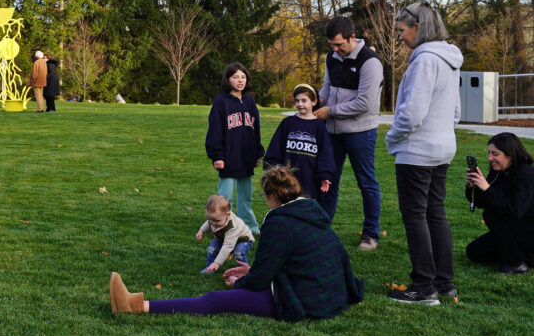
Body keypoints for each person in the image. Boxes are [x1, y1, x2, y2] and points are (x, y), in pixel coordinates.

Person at [109, 167, 364, 320]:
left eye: (264, 196)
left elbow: (261, 280)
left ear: (273, 197)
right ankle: (135, 305)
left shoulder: (280, 222)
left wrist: (240, 282)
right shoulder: (311, 212)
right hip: (329, 291)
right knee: (222, 294)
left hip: (306, 299)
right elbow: (302, 260)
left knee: (214, 300)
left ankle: (135, 306)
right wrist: (252, 270)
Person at [385, 2, 462, 304]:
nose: (400, 37)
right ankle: (445, 284)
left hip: (417, 151)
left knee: (416, 216)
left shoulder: (425, 60)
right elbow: (455, 111)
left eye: (402, 30)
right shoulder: (449, 59)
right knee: (435, 213)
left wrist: (393, 138)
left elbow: (412, 113)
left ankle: (424, 287)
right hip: (442, 148)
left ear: (418, 27)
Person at [315, 16, 383, 250]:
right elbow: (327, 87)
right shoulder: (331, 57)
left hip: (360, 132)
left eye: (339, 44)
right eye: (331, 45)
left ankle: (370, 235)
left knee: (366, 183)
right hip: (332, 132)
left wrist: (330, 111)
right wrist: (314, 101)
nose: (335, 49)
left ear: (352, 37)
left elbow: (364, 103)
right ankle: (321, 231)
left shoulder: (370, 62)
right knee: (327, 181)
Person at [205, 63, 264, 234]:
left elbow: (256, 129)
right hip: (228, 157)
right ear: (227, 79)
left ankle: (249, 226)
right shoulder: (221, 101)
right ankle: (221, 226)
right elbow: (215, 131)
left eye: (243, 77)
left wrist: (258, 152)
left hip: (246, 156)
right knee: (225, 197)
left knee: (246, 196)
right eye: (235, 77)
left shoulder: (250, 102)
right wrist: (217, 156)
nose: (240, 80)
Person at [465, 132, 534, 274]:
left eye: (495, 154)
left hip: (528, 230)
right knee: (474, 252)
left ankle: (517, 263)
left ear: (510, 154)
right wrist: (472, 187)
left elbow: (514, 211)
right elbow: (481, 202)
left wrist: (488, 189)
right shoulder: (498, 172)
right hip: (512, 231)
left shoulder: (526, 174)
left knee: (493, 213)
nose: (490, 158)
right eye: (489, 153)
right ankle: (521, 255)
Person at [265, 84, 335, 203]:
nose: (300, 104)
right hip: (287, 178)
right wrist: (273, 167)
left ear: (314, 102)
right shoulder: (288, 123)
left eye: (304, 100)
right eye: (297, 101)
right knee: (286, 206)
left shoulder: (319, 126)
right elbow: (276, 146)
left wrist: (324, 175)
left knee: (306, 208)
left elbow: (325, 153)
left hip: (309, 177)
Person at [196, 193, 255, 274]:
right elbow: (208, 223)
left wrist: (217, 262)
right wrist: (201, 230)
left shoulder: (232, 226)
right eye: (210, 219)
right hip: (224, 238)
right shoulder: (215, 219)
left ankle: (242, 271)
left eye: (216, 221)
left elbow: (227, 246)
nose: (213, 223)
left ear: (227, 215)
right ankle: (210, 268)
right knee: (212, 249)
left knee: (238, 252)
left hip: (242, 240)